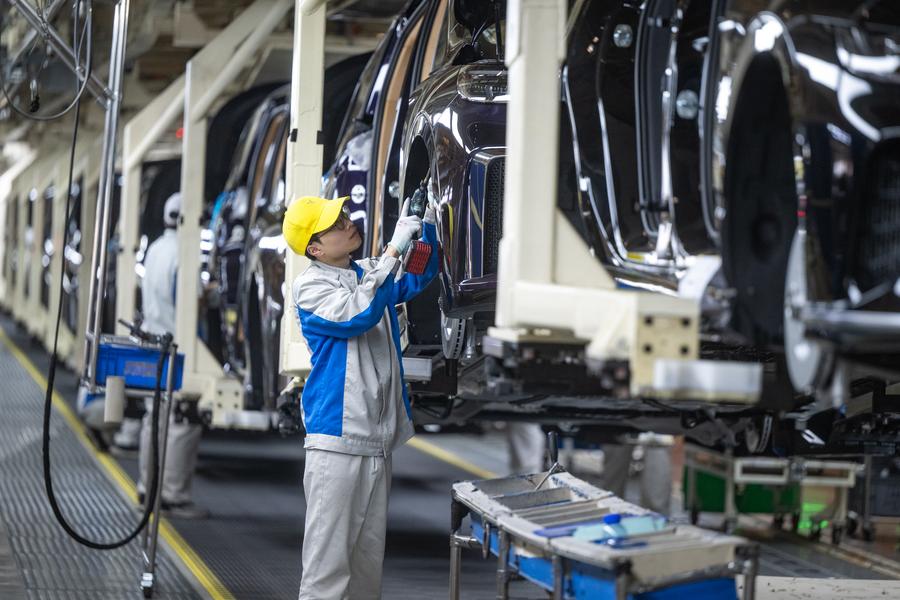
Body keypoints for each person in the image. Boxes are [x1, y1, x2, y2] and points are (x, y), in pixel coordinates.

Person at [283, 193, 438, 600]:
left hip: (375, 443)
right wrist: (392, 249)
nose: (347, 222)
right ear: (315, 248)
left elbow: (416, 278)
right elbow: (359, 313)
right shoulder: (309, 288)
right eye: (334, 224)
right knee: (326, 575)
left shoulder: (366, 272)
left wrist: (426, 227)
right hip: (337, 442)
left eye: (344, 215)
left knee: (366, 575)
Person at [136, 192, 208, 519]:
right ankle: (173, 495)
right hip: (178, 347)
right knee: (182, 420)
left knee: (154, 417)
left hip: (153, 342)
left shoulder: (154, 248)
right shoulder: (184, 254)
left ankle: (145, 487)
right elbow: (192, 302)